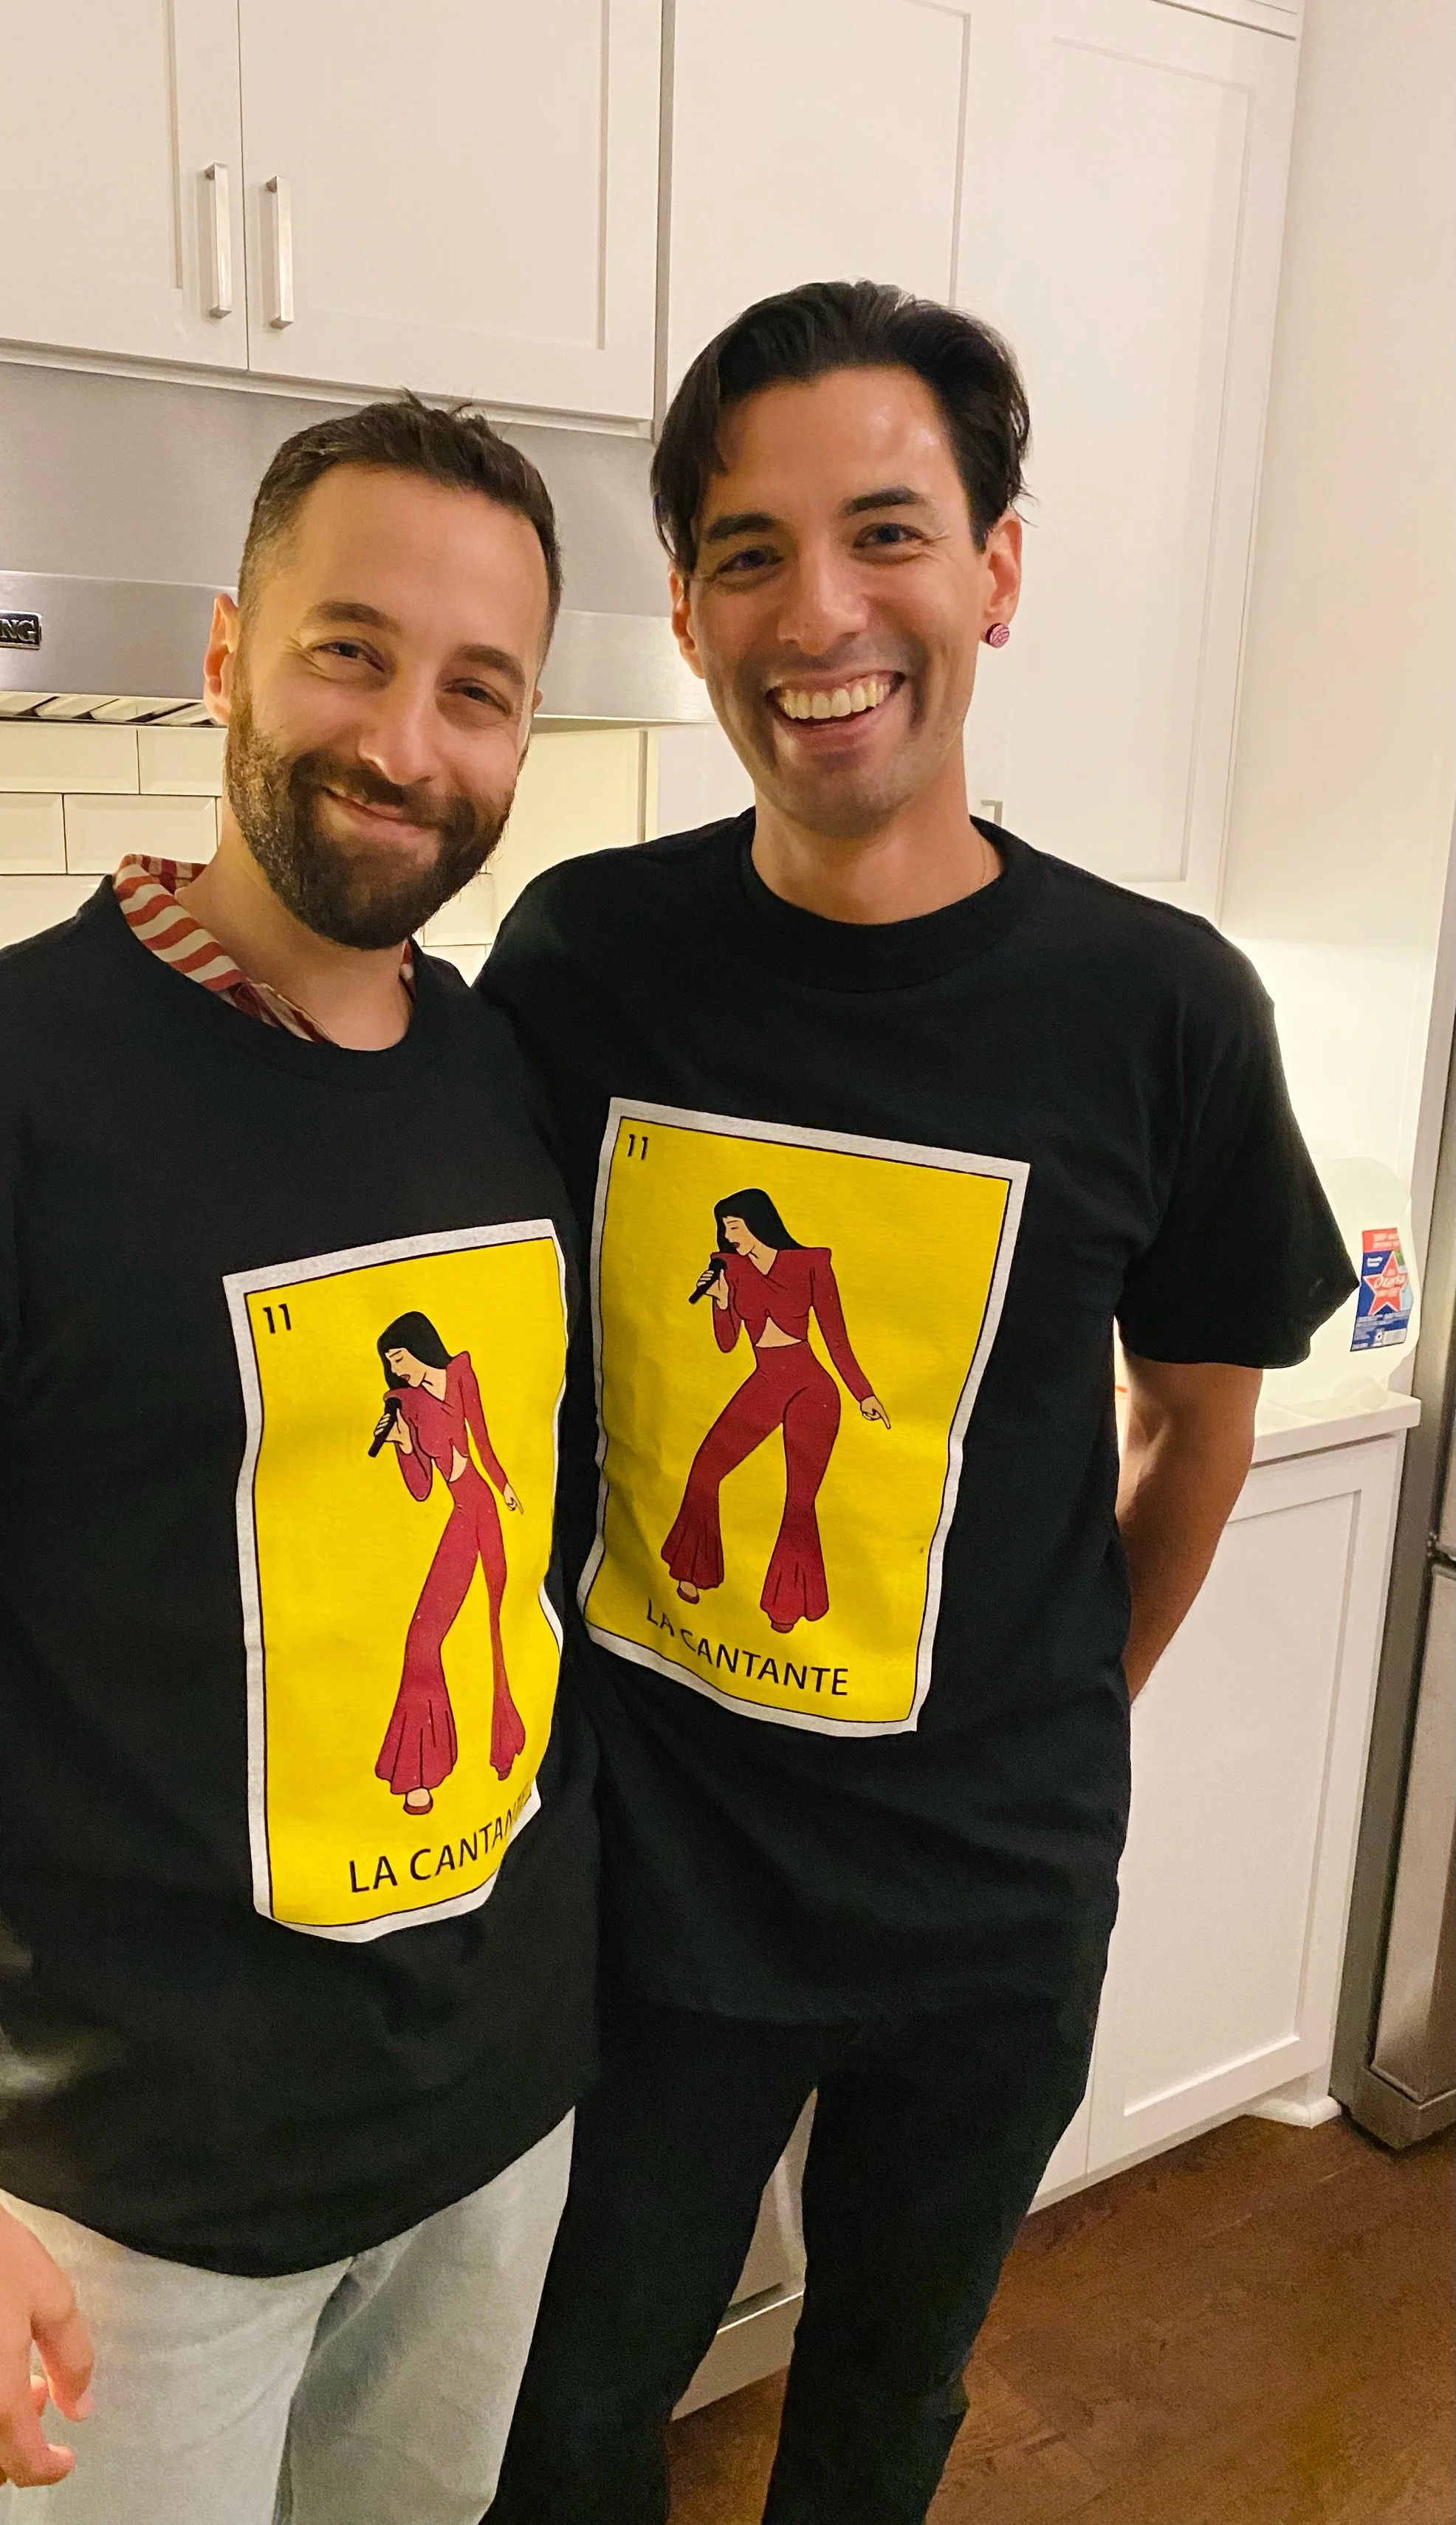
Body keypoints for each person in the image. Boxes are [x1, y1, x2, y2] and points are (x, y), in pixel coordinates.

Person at [478, 280, 1356, 2524]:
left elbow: (1194, 1414)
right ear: (680, 609)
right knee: (569, 2418)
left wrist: (1055, 1711)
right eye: (747, 553)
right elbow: (392, 1196)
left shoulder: (1152, 1005)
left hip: (980, 1915)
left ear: (995, 567)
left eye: (884, 530)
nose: (820, 612)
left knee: (878, 2411)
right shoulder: (586, 958)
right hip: (653, 1890)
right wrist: (203, 955)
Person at [0, 395, 596, 2525]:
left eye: (476, 689)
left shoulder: (504, 1078)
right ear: (224, 657)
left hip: (489, 2131)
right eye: (347, 650)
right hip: (137, 2208)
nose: (403, 739)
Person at [663, 1186, 889, 1629]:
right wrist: (721, 1301)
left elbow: (835, 1336)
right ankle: (693, 1572)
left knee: (799, 1500)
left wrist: (864, 1394)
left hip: (812, 1388)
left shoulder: (810, 1264)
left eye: (734, 1227)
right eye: (724, 1230)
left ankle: (788, 1605)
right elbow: (728, 1344)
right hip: (765, 1382)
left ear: (756, 1222)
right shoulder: (728, 1268)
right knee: (705, 1470)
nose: (729, 1238)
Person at [372, 1309, 526, 1812]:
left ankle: (504, 1749)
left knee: (497, 1627)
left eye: (399, 1358)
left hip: (485, 1506)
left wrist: (504, 1486)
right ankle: (421, 1772)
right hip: (461, 1513)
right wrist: (401, 1444)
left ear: (418, 1346)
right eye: (391, 1366)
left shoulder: (460, 1373)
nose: (397, 1371)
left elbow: (481, 1439)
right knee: (423, 1639)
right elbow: (421, 1489)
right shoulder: (406, 1404)